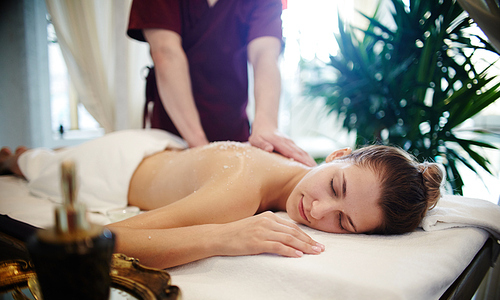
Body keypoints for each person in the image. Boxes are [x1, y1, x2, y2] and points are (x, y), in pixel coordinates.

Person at [0, 130, 443, 269]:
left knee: (36, 157)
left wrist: (320, 180)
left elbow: (319, 189)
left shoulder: (299, 171)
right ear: (338, 155)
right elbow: (103, 239)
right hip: (115, 167)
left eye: (344, 223)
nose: (319, 210)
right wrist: (223, 237)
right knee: (32, 165)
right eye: (336, 187)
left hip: (159, 146)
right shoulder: (238, 194)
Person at [127, 0, 316, 167]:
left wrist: (266, 126)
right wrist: (200, 147)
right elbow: (166, 52)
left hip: (235, 131)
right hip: (173, 137)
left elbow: (264, 55)